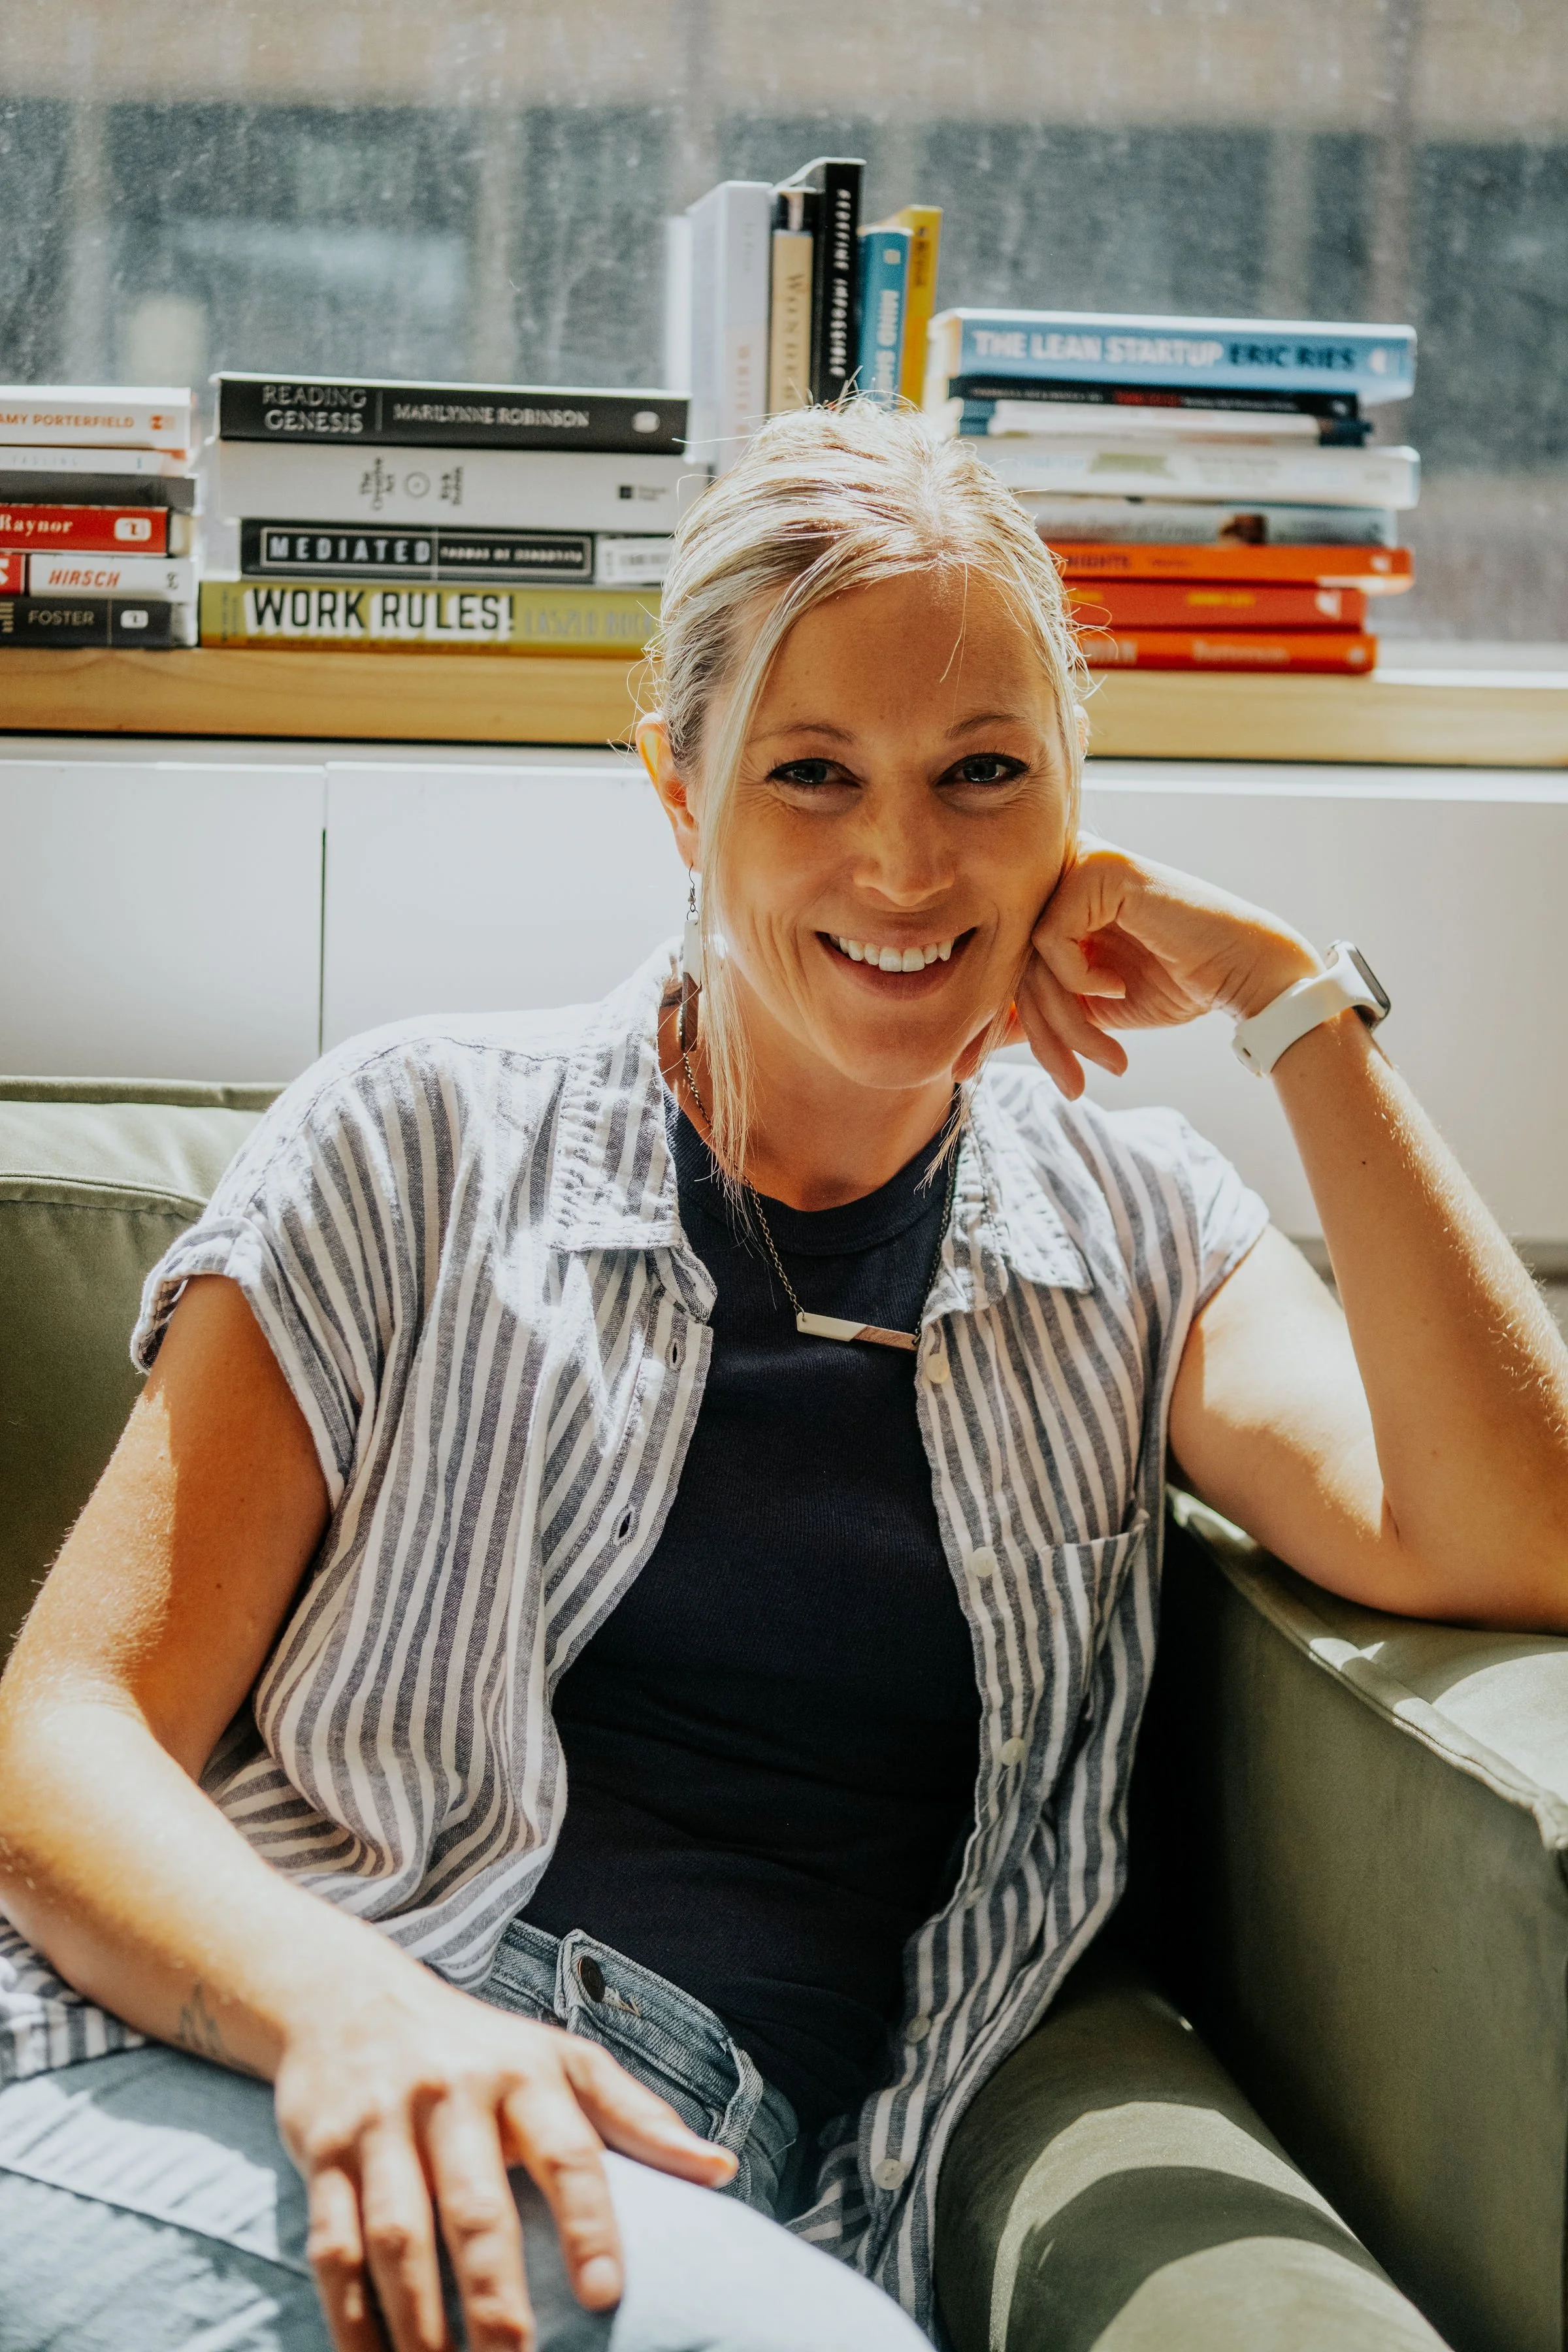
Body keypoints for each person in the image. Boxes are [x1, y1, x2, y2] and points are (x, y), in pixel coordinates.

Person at [1, 403, 1565, 2352]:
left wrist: (1289, 1003)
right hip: (238, 2063)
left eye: (986, 770)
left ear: (1077, 788)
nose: (904, 863)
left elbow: (1514, 1526)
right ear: (679, 793)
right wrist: (352, 2015)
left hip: (686, 2182)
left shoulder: (1143, 1235)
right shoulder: (408, 1141)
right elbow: (60, 1745)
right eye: (811, 774)